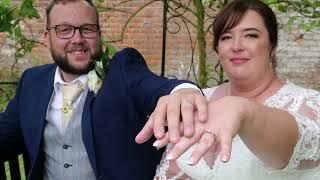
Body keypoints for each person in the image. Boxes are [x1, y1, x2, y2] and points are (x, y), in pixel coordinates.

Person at [0, 0, 209, 179]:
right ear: (47, 37)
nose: (77, 39)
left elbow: (158, 87)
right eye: (64, 29)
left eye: (87, 29)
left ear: (98, 34)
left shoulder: (123, 70)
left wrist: (183, 92)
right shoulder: (32, 80)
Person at [137, 0, 320, 179]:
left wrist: (244, 111)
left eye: (251, 35)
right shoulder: (200, 99)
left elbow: (295, 146)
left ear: (272, 45)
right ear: (218, 48)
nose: (236, 46)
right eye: (226, 37)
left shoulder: (308, 103)